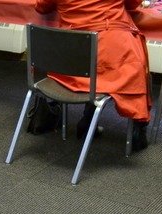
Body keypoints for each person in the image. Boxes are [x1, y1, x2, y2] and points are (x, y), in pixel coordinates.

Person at [34, 0, 152, 150]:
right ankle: (138, 127)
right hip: (111, 53)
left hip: (71, 62)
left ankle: (88, 119)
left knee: (93, 75)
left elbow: (42, 7)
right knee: (134, 68)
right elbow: (133, 4)